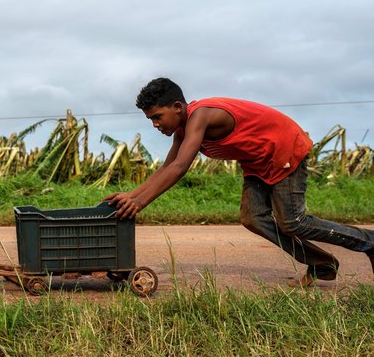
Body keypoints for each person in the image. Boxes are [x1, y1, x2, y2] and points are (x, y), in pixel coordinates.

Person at [105, 77, 374, 286]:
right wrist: (132, 195)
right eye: (150, 119)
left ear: (177, 107)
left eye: (157, 117)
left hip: (285, 149)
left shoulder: (201, 115)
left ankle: (368, 241)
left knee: (293, 222)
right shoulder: (182, 130)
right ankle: (321, 264)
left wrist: (139, 202)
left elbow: (179, 168)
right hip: (258, 162)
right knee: (253, 218)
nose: (155, 125)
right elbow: (166, 167)